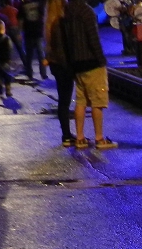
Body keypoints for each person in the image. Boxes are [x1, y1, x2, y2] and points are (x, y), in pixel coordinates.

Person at [61, 0, 113, 147]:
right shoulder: (87, 11)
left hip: (77, 65)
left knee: (81, 101)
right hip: (92, 62)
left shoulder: (67, 12)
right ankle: (99, 138)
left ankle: (80, 137)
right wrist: (101, 59)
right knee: (97, 100)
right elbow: (93, 38)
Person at [43, 0, 72, 142]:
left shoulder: (49, 22)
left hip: (55, 64)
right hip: (63, 65)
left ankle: (66, 133)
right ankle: (67, 134)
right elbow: (62, 49)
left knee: (63, 99)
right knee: (65, 100)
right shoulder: (60, 23)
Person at [18, 0, 43, 77]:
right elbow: (42, 16)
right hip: (38, 32)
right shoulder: (38, 4)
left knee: (29, 55)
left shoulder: (22, 6)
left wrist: (20, 32)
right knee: (41, 54)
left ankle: (29, 73)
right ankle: (43, 73)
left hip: (28, 32)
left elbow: (20, 20)